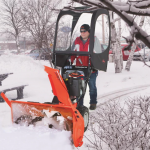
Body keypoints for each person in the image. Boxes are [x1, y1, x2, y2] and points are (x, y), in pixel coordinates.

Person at [71, 24, 100, 110]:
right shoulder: (76, 40)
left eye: (84, 31)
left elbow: (99, 54)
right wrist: (70, 62)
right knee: (80, 87)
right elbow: (72, 53)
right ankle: (80, 105)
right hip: (80, 68)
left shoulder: (94, 40)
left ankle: (93, 103)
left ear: (89, 31)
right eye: (81, 31)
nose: (82, 33)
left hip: (91, 68)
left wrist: (96, 65)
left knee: (92, 87)